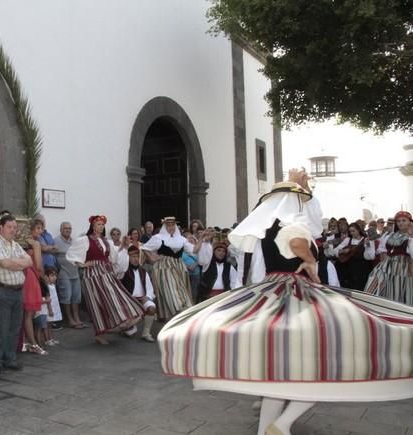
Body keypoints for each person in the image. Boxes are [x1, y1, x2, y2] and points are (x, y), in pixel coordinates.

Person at [157, 170, 413, 435]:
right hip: (296, 293)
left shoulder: (266, 229)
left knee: (279, 375)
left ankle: (268, 429)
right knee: (321, 369)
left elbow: (269, 259)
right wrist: (311, 262)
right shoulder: (292, 225)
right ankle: (282, 424)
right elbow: (298, 241)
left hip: (272, 291)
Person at [66, 215, 144, 345]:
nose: (100, 227)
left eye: (102, 225)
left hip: (106, 273)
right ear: (92, 226)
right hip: (92, 276)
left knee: (116, 296)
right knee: (97, 304)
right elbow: (71, 254)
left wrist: (123, 247)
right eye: (98, 224)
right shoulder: (85, 240)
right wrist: (82, 264)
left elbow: (113, 258)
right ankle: (99, 334)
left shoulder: (106, 241)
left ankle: (124, 319)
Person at [142, 217, 211, 320]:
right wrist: (153, 258)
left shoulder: (182, 239)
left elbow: (194, 250)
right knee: (171, 293)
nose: (171, 227)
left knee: (181, 292)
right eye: (168, 225)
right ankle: (176, 316)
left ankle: (178, 320)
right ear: (165, 226)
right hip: (163, 268)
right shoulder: (158, 238)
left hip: (179, 268)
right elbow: (145, 248)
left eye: (172, 225)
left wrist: (201, 238)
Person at [0, 214, 32, 370]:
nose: (13, 230)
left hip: (17, 291)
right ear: (1, 227)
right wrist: (19, 263)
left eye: (15, 227)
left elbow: (30, 261)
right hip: (2, 291)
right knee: (2, 327)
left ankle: (11, 358)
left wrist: (15, 263)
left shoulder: (15, 245)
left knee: (15, 328)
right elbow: (5, 263)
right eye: (9, 227)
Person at [364, 211, 413, 304]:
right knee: (376, 281)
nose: (401, 223)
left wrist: (411, 236)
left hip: (405, 267)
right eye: (398, 221)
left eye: (404, 220)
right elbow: (384, 250)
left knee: (400, 290)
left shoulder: (410, 236)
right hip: (388, 265)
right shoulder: (392, 235)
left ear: (410, 222)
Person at [118, 245, 156, 342]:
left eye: (137, 257)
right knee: (130, 333)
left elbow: (149, 287)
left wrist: (147, 297)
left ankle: (146, 333)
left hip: (141, 299)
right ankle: (126, 326)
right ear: (128, 258)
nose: (135, 259)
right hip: (128, 301)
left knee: (151, 307)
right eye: (132, 257)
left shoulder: (143, 271)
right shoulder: (123, 271)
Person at [22, 220, 49, 356]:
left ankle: (26, 341)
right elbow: (38, 265)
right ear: (31, 228)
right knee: (29, 313)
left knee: (25, 313)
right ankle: (33, 343)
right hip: (31, 277)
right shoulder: (36, 243)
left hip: (22, 275)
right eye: (38, 228)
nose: (40, 231)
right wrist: (44, 278)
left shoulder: (22, 241)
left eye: (41, 229)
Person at [54, 222, 85, 329]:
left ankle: (76, 318)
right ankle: (70, 319)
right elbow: (53, 256)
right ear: (61, 230)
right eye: (65, 228)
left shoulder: (74, 241)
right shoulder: (56, 241)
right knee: (66, 296)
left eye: (69, 228)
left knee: (76, 296)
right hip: (63, 272)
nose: (68, 230)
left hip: (75, 271)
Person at [333, 222, 375, 290]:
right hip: (349, 269)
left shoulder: (366, 240)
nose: (352, 233)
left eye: (353, 231)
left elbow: (370, 256)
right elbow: (335, 251)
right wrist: (344, 251)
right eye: (350, 231)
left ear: (358, 230)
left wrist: (367, 245)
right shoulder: (348, 240)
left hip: (363, 269)